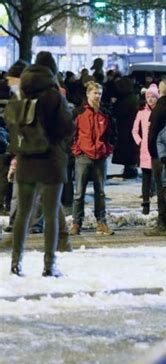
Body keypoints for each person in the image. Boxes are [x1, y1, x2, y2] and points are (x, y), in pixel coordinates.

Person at [8, 52, 75, 277]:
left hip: (26, 160)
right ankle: (49, 264)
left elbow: (13, 126)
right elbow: (66, 128)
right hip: (51, 161)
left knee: (23, 215)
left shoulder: (20, 94)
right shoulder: (54, 95)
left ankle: (16, 263)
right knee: (50, 214)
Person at [70, 81, 116, 236]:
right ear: (88, 94)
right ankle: (76, 223)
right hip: (83, 156)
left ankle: (101, 222)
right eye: (95, 93)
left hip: (100, 157)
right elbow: (71, 133)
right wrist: (76, 150)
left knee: (100, 192)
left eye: (100, 93)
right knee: (79, 193)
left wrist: (107, 149)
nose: (98, 96)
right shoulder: (78, 112)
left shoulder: (106, 113)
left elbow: (112, 133)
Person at [144, 79, 166, 236]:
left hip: (159, 155)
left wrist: (152, 153)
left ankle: (162, 223)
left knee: (162, 190)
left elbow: (152, 135)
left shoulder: (159, 109)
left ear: (160, 92)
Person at [132, 83, 159, 215]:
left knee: (158, 178)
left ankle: (161, 204)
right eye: (148, 97)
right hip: (145, 150)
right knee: (146, 178)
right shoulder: (141, 113)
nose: (150, 99)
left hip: (158, 149)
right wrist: (140, 141)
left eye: (153, 97)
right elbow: (135, 130)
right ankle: (146, 204)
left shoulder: (160, 112)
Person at [111, 77, 139, 179]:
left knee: (128, 151)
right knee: (129, 151)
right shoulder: (131, 98)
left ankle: (130, 170)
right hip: (127, 129)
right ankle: (130, 169)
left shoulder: (126, 100)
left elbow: (118, 112)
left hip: (126, 129)